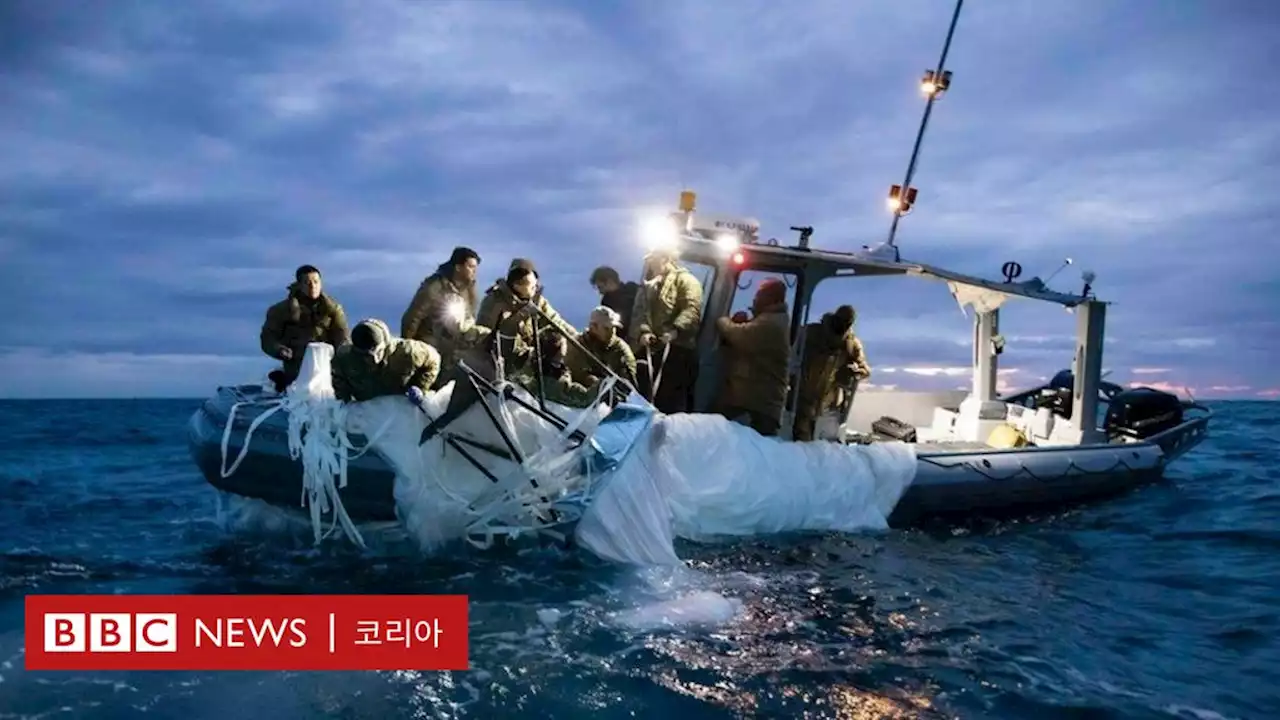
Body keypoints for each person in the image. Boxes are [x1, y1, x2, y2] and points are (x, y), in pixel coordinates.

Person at [712, 278, 792, 437]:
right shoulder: (769, 320)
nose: (755, 299)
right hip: (754, 399)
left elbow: (739, 336)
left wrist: (723, 321)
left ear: (771, 298)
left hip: (759, 404)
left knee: (718, 430)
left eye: (760, 295)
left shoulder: (772, 323)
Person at [399, 247, 487, 383]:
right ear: (458, 267)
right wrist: (408, 349)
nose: (474, 271)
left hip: (456, 338)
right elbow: (413, 317)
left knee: (483, 335)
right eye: (470, 267)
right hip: (432, 339)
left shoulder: (469, 289)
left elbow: (470, 316)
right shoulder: (434, 286)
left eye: (475, 267)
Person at [631, 248, 703, 413]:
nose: (650, 263)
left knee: (670, 400)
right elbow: (640, 310)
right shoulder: (648, 284)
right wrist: (644, 331)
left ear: (665, 259)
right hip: (652, 350)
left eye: (653, 259)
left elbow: (691, 309)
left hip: (678, 352)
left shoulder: (687, 281)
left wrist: (675, 330)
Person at [476, 259, 577, 376]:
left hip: (530, 354)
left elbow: (556, 321)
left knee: (555, 337)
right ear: (517, 285)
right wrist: (519, 317)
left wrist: (576, 337)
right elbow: (484, 336)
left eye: (536, 285)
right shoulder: (494, 302)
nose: (535, 288)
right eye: (532, 286)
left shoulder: (537, 301)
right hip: (500, 359)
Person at [260, 264, 350, 392]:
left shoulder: (333, 310)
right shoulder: (281, 310)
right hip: (296, 366)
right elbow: (268, 338)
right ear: (299, 284)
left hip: (327, 367)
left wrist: (344, 355)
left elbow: (343, 337)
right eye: (307, 282)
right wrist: (279, 350)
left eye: (316, 282)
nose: (312, 286)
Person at [793, 305, 872, 442]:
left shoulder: (850, 344)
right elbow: (791, 351)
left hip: (827, 402)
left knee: (818, 442)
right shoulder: (812, 333)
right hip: (800, 396)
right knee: (801, 438)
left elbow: (864, 370)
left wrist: (853, 371)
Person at [331, 319, 442, 403]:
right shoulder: (344, 357)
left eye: (378, 352)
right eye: (365, 356)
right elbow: (338, 378)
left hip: (402, 409)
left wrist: (420, 387)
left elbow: (434, 360)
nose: (374, 360)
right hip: (368, 413)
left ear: (384, 345)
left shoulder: (407, 352)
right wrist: (345, 402)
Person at [511, 332, 602, 409]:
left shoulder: (529, 364)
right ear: (560, 350)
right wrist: (602, 383)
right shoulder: (559, 385)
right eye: (564, 343)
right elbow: (586, 399)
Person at [565, 306, 638, 399]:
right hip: (586, 399)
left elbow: (629, 376)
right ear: (593, 327)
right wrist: (598, 384)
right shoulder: (578, 345)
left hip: (616, 398)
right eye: (607, 328)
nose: (612, 332)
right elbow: (578, 373)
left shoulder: (621, 348)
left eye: (613, 328)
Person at [589, 266, 641, 339]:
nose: (600, 292)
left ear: (610, 281)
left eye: (601, 287)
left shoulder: (632, 289)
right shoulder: (606, 302)